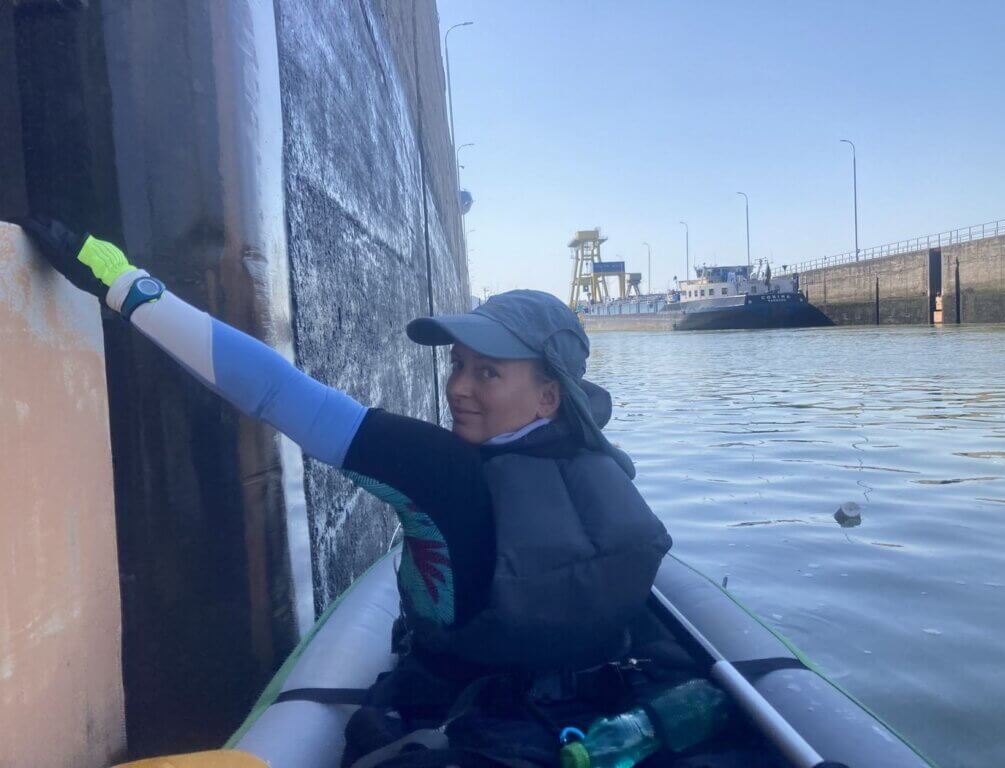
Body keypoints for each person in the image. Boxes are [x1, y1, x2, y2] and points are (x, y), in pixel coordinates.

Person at [15, 217, 671, 711]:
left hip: (462, 714)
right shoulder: (605, 466)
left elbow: (277, 392)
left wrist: (122, 283)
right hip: (596, 707)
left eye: (488, 373)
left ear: (549, 397)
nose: (459, 388)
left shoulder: (439, 471)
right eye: (458, 365)